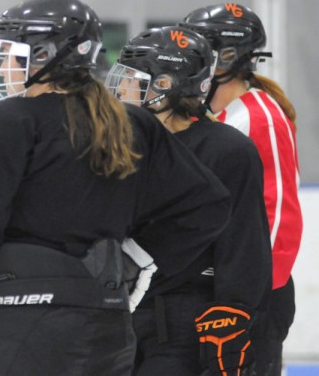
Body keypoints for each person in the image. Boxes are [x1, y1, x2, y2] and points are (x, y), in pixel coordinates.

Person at [0, 0, 232, 376]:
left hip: (18, 332)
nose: (4, 62)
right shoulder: (132, 123)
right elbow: (208, 205)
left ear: (46, 55)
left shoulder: (2, 123)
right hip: (109, 333)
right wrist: (134, 260)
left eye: (14, 51)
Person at [106, 26, 272, 375]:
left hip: (184, 320)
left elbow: (243, 240)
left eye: (132, 80)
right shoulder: (119, 144)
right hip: (115, 315)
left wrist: (233, 313)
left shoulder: (226, 150)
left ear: (165, 86)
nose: (120, 90)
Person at [180, 3, 303, 376]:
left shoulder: (259, 116)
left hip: (252, 298)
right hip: (223, 292)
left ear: (227, 57)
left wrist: (250, 299)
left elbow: (280, 214)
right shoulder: (209, 116)